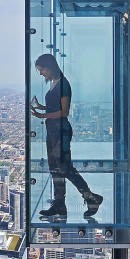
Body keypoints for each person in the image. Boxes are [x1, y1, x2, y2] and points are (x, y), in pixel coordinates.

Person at [31, 54, 102, 220]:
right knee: (56, 169)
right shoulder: (55, 83)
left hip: (60, 132)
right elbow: (54, 107)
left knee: (66, 169)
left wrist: (43, 116)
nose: (41, 73)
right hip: (53, 131)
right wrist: (41, 108)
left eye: (42, 69)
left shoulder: (64, 84)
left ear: (49, 67)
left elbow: (64, 112)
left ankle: (91, 198)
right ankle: (59, 205)